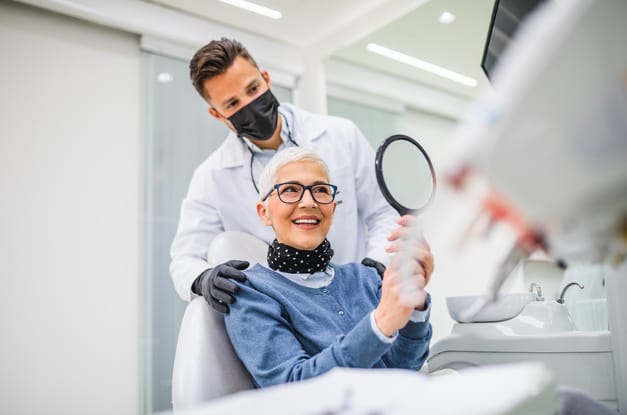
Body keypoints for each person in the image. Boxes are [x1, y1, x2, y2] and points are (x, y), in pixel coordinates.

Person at [170, 37, 399, 313]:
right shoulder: (212, 177)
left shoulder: (341, 136)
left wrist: (375, 265)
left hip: (360, 300)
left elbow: (384, 213)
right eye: (232, 104)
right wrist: (202, 278)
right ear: (217, 115)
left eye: (253, 89)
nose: (249, 105)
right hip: (285, 315)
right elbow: (185, 257)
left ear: (266, 79)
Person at [223, 147, 434, 387]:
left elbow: (404, 368)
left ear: (332, 208)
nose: (309, 202)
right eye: (290, 190)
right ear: (264, 212)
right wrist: (380, 324)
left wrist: (414, 305)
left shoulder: (366, 278)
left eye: (320, 190)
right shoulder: (251, 293)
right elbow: (292, 388)